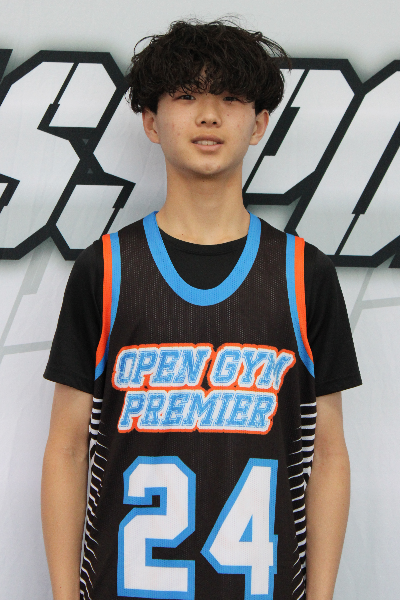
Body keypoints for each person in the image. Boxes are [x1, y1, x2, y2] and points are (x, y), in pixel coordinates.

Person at [41, 18, 361, 600]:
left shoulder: (304, 274)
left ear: (259, 123)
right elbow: (67, 447)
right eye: (187, 96)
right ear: (150, 120)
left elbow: (330, 453)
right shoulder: (105, 269)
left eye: (231, 98)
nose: (209, 115)